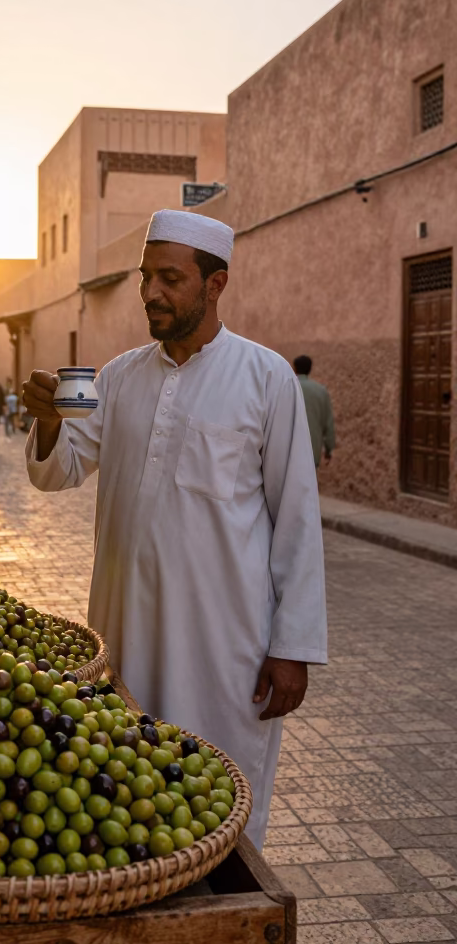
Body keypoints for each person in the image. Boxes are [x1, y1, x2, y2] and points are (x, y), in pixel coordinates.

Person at [22, 210, 327, 848]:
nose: (150, 293)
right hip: (124, 628)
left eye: (169, 278)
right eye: (144, 277)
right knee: (122, 790)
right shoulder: (110, 376)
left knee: (219, 795)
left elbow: (296, 516)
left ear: (215, 285)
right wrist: (49, 419)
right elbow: (60, 471)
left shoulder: (267, 378)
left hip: (224, 643)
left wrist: (292, 646)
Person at [293, 356, 336, 469]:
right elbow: (328, 423)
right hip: (312, 450)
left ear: (294, 368)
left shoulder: (286, 387)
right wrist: (329, 449)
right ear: (310, 369)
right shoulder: (321, 391)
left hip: (288, 450)